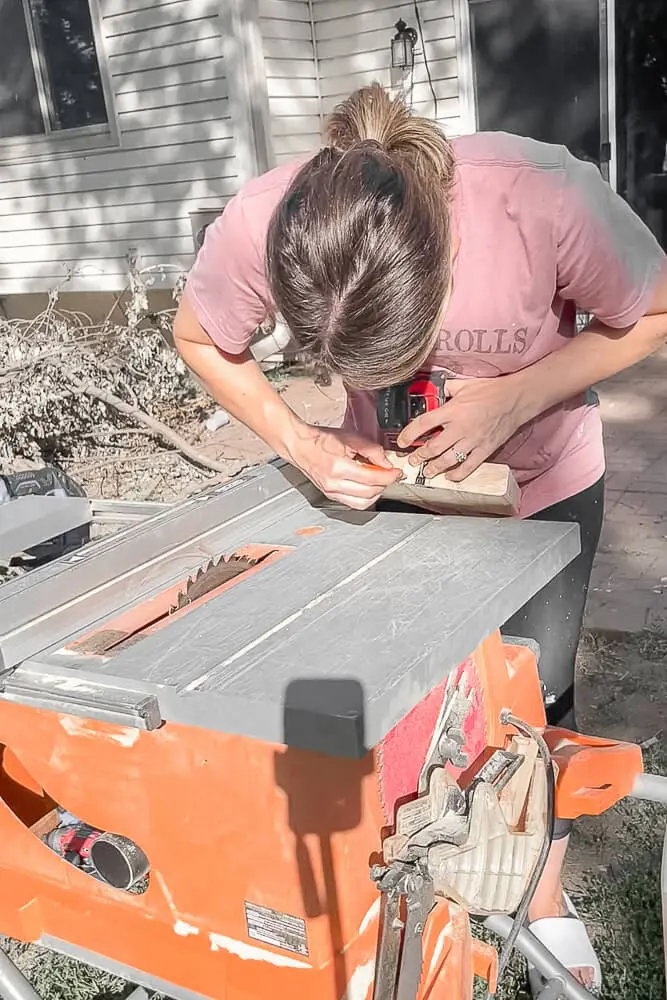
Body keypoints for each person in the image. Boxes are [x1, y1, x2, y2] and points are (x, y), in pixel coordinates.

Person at [174, 84, 667, 989]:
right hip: (392, 497)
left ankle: (544, 900)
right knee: (411, 694)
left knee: (535, 697)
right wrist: (307, 441)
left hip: (542, 481)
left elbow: (654, 310)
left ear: (441, 259)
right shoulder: (260, 220)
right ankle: (431, 866)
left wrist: (516, 395)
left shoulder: (539, 196)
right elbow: (200, 337)